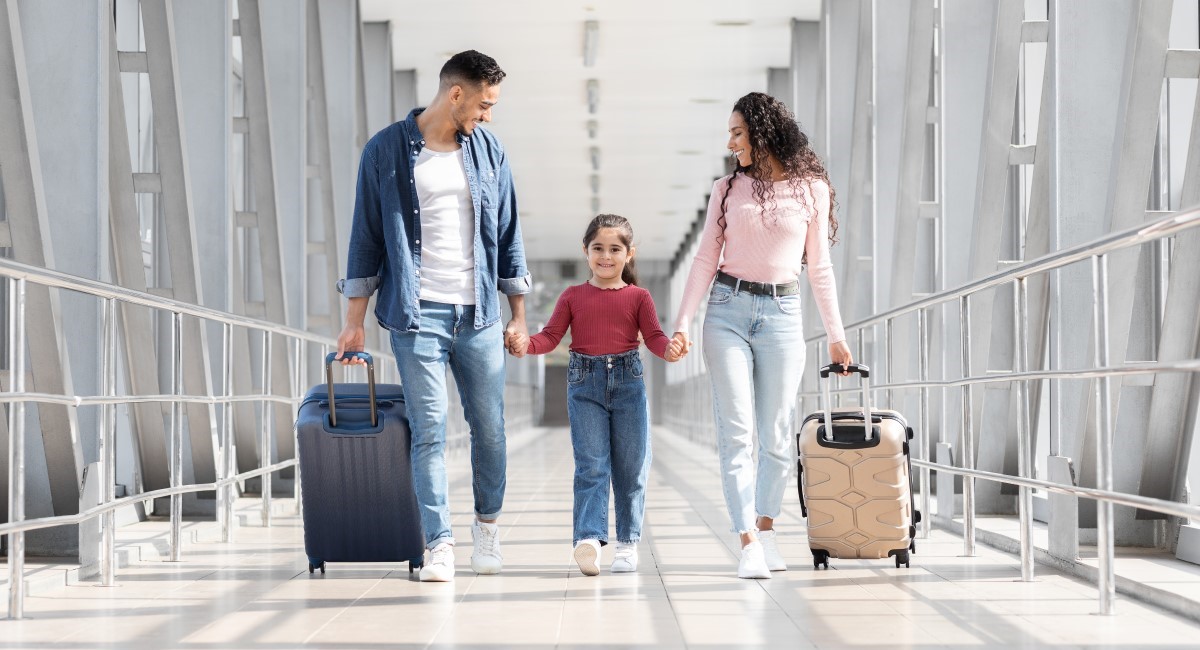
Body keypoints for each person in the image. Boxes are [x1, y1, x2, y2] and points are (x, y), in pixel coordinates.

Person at [335, 50, 530, 583]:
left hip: (481, 315)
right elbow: (367, 236)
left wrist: (518, 315)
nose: (488, 115)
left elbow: (509, 235)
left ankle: (486, 529)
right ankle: (439, 543)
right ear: (456, 94)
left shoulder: (489, 150)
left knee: (489, 429)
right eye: (484, 105)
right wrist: (354, 319)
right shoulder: (387, 150)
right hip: (417, 314)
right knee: (431, 429)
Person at [669, 92, 853, 579]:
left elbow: (820, 267)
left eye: (737, 133)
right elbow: (705, 258)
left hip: (783, 313)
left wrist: (837, 334)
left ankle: (767, 529)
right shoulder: (727, 189)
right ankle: (747, 540)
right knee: (737, 434)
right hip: (726, 311)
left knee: (774, 435)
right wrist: (684, 320)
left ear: (762, 132)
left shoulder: (812, 189)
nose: (730, 143)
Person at [507, 214, 685, 575]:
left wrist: (669, 349)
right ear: (585, 252)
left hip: (628, 385)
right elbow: (551, 337)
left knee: (632, 468)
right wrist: (526, 344)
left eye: (615, 249)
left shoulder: (639, 297)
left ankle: (627, 544)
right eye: (598, 248)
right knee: (591, 465)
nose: (606, 256)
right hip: (584, 384)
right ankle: (588, 538)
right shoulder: (572, 296)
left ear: (629, 254)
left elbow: (653, 337)